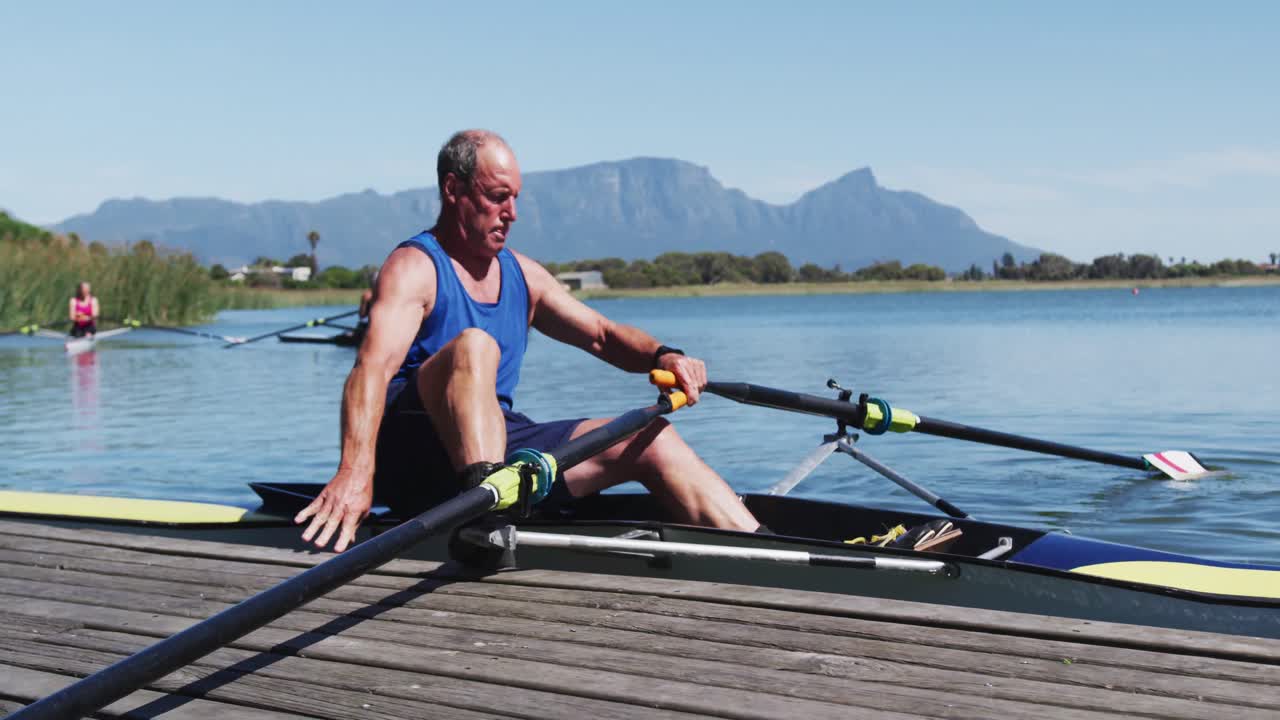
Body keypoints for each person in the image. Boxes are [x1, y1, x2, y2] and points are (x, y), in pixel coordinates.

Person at [296, 129, 761, 552]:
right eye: (498, 197)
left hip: (492, 446)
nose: (512, 214)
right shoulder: (414, 268)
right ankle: (489, 513)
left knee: (651, 438)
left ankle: (766, 551)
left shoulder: (523, 275)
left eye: (515, 199)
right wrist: (354, 472)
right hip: (415, 457)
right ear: (453, 190)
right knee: (475, 345)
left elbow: (603, 337)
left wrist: (666, 355)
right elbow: (370, 371)